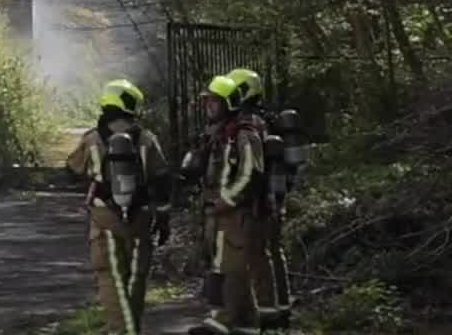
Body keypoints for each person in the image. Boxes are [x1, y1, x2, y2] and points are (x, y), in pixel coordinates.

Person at [77, 79, 173, 335]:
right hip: (141, 218)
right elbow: (162, 179)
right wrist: (163, 219)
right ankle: (128, 327)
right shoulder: (147, 139)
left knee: (110, 277)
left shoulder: (92, 139)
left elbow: (73, 169)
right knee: (136, 278)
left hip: (105, 217)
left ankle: (122, 330)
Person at [188, 74, 265, 335]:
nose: (209, 106)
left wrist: (228, 199)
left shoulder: (244, 134)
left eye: (214, 102)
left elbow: (251, 174)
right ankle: (248, 321)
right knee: (224, 264)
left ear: (228, 103)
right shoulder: (217, 134)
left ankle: (223, 320)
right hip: (217, 211)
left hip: (236, 213)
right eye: (207, 101)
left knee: (229, 267)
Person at [228, 66, 292, 328]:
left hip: (257, 200)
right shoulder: (270, 119)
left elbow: (251, 166)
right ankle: (282, 307)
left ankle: (266, 313)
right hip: (276, 196)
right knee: (274, 251)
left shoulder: (248, 123)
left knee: (256, 254)